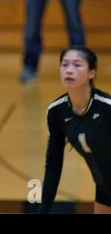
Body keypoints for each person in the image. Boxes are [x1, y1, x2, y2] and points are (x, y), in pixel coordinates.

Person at [40, 46, 111, 214]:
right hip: (104, 188)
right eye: (64, 65)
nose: (69, 70)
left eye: (77, 65)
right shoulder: (56, 112)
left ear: (91, 73)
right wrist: (43, 210)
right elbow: (53, 164)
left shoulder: (107, 108)